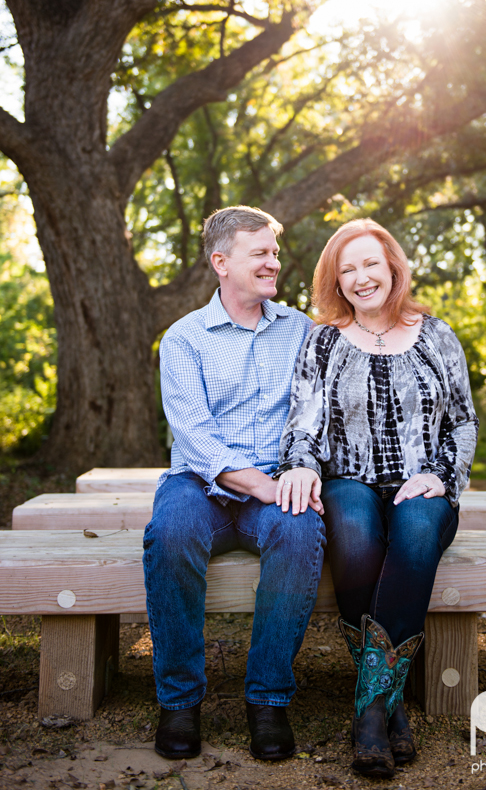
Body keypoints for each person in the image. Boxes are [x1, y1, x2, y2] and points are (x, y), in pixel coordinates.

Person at [275, 219, 478, 778]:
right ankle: (390, 710)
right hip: (348, 481)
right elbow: (304, 424)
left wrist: (442, 474)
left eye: (370, 264)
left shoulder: (437, 335)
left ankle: (369, 713)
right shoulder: (322, 341)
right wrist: (298, 467)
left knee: (414, 532)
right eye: (348, 270)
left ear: (393, 267)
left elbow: (463, 421)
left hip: (424, 484)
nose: (362, 277)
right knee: (357, 538)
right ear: (335, 283)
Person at [143, 206, 326, 762]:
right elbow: (194, 437)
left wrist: (297, 474)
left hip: (277, 478)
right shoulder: (184, 339)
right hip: (200, 485)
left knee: (300, 534)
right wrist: (263, 488)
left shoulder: (302, 331)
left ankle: (268, 700)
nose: (274, 262)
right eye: (261, 254)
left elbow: (316, 416)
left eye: (274, 252)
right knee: (168, 534)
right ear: (222, 262)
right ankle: (179, 701)